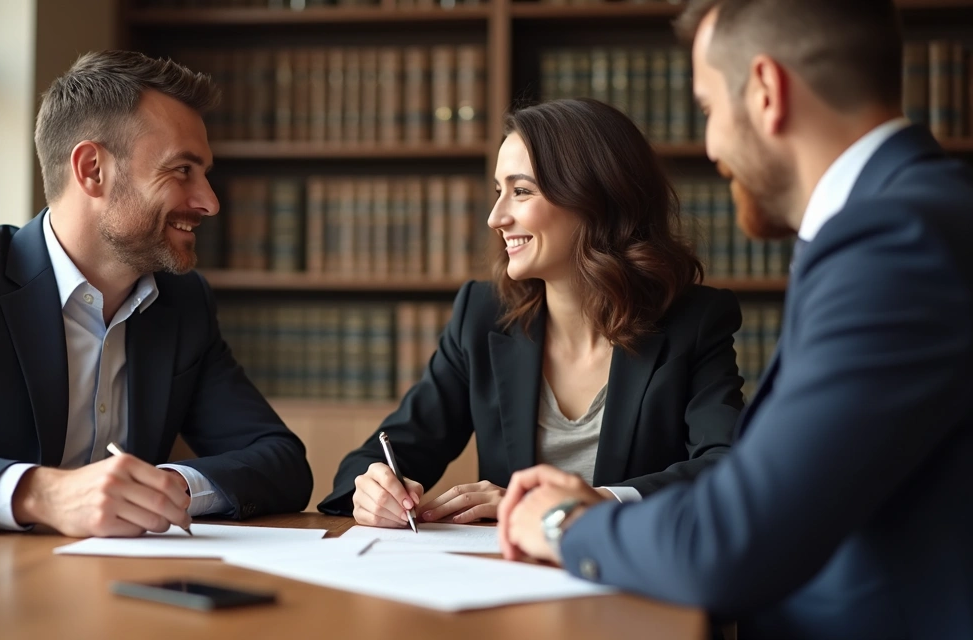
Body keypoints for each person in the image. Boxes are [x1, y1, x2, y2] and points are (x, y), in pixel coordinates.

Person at [498, 2, 973, 638]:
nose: (711, 145)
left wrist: (562, 524)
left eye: (707, 109)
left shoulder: (894, 242)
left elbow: (735, 537)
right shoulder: (911, 216)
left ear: (767, 92)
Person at [0, 51, 313, 537]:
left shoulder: (183, 303)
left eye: (204, 173)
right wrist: (41, 493)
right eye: (182, 170)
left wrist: (171, 488)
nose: (209, 201)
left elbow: (281, 462)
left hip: (124, 593)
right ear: (92, 169)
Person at [319, 98, 744, 528]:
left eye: (521, 191)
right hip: (511, 580)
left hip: (634, 577)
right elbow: (380, 455)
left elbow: (726, 467)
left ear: (596, 198)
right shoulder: (482, 315)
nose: (495, 217)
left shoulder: (695, 322)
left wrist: (585, 504)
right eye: (498, 191)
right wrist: (375, 488)